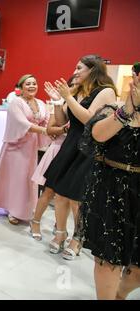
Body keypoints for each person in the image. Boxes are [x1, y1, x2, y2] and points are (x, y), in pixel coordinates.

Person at [43, 54, 117, 259]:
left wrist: (67, 97)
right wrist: (58, 102)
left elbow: (90, 120)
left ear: (92, 70)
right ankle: (60, 233)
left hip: (89, 150)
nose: (74, 72)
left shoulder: (106, 91)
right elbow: (61, 121)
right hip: (70, 145)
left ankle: (78, 237)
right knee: (60, 193)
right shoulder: (76, 91)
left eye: (79, 68)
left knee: (77, 198)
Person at [78, 66, 140, 300]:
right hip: (111, 190)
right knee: (108, 259)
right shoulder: (113, 110)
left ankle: (120, 295)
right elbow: (98, 135)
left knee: (136, 270)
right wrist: (128, 108)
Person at [0, 74, 51, 225]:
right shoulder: (16, 102)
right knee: (16, 179)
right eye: (28, 84)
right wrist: (45, 131)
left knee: (28, 178)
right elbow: (22, 123)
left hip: (31, 147)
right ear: (21, 87)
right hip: (15, 146)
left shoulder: (41, 103)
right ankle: (13, 210)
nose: (31, 86)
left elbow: (47, 120)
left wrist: (52, 128)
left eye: (34, 83)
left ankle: (25, 208)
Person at [29, 76, 75, 240]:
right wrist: (65, 129)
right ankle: (35, 221)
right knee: (49, 191)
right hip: (58, 150)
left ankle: (59, 225)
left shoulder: (83, 105)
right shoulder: (61, 105)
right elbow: (50, 129)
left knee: (68, 195)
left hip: (74, 152)